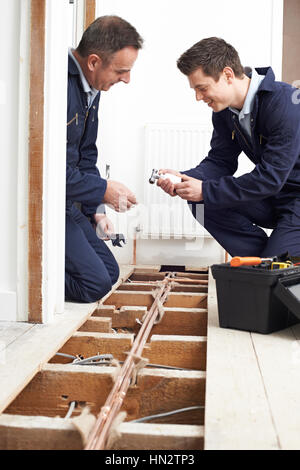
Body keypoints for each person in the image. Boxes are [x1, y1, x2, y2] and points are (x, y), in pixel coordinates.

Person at [158, 37, 300, 259]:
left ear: (227, 75)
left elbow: (270, 178)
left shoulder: (284, 104)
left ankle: (271, 265)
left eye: (202, 88)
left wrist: (205, 189)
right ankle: (264, 264)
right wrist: (185, 179)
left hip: (295, 199)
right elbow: (220, 161)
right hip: (275, 196)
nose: (198, 97)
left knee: (206, 193)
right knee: (201, 202)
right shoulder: (224, 111)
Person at [66, 16, 143, 302]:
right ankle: (33, 282)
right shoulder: (57, 86)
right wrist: (104, 189)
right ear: (94, 62)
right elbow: (48, 172)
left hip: (70, 203)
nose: (126, 79)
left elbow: (86, 156)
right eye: (121, 70)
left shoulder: (93, 88)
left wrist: (96, 209)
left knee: (109, 274)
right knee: (93, 285)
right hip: (48, 208)